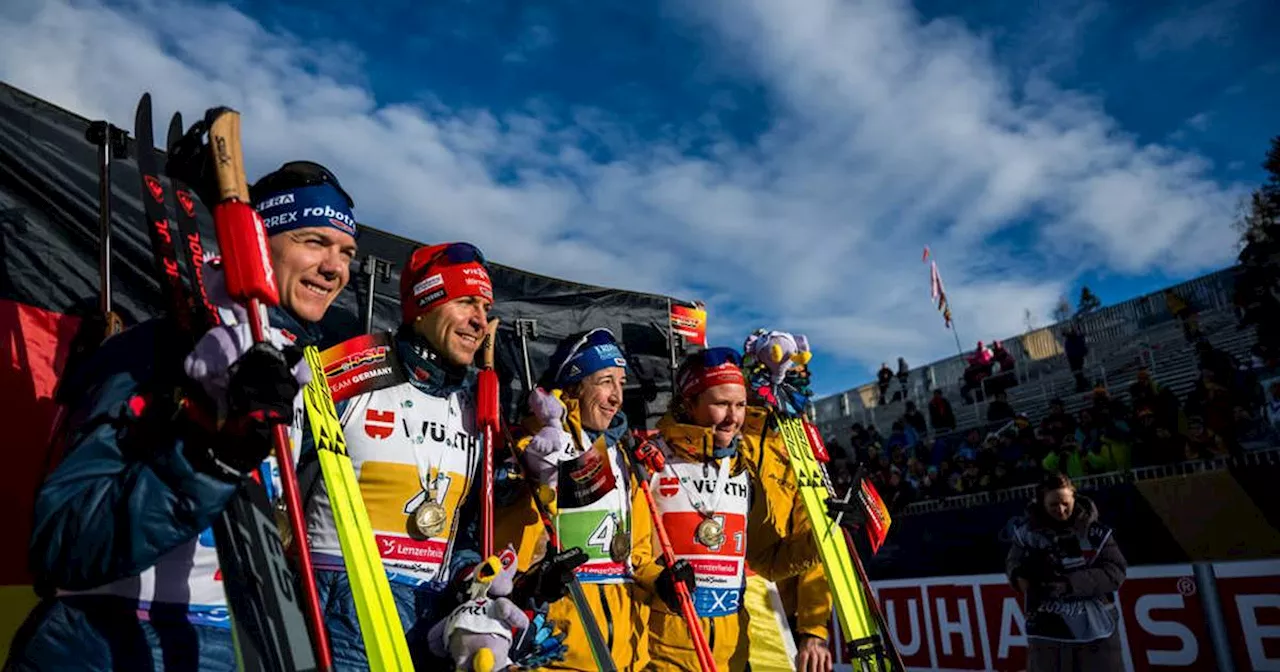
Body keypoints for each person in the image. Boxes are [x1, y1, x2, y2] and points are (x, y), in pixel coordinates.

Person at [6, 161, 360, 671]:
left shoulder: (302, 379)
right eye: (313, 241)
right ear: (258, 245)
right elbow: (64, 544)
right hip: (106, 640)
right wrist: (205, 453)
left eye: (346, 252)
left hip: (232, 643)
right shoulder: (156, 350)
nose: (335, 268)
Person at [300, 240, 573, 669]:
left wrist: (474, 577)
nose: (480, 321)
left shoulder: (474, 409)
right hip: (338, 614)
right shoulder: (350, 373)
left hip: (430, 623)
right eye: (465, 302)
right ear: (425, 303)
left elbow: (463, 533)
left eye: (485, 307)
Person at [641, 347, 821, 671]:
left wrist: (825, 538)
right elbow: (630, 560)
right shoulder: (652, 461)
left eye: (739, 405)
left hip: (732, 652)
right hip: (663, 652)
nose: (733, 417)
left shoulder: (743, 467)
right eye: (721, 404)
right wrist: (658, 580)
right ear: (689, 403)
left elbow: (768, 560)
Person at [499, 328, 666, 670]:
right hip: (555, 652)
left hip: (624, 655)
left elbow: (636, 556)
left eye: (621, 383)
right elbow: (507, 552)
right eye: (605, 381)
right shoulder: (533, 447)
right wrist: (531, 586)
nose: (617, 396)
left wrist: (661, 581)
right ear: (574, 386)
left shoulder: (623, 455)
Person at [1006, 473, 1126, 671]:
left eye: (1065, 503)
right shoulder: (1026, 534)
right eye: (1053, 505)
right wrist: (1019, 577)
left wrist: (1070, 584)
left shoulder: (1095, 532)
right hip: (1046, 629)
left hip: (1095, 629)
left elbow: (1115, 571)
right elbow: (1012, 562)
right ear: (1042, 503)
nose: (1060, 510)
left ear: (1074, 497)